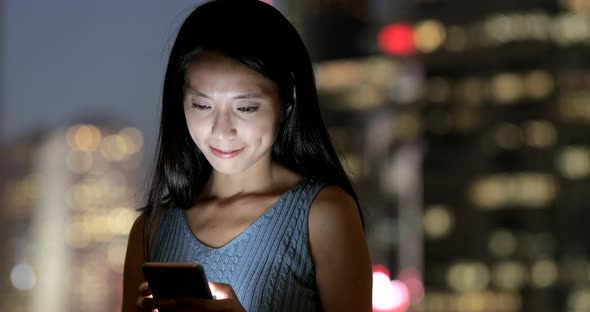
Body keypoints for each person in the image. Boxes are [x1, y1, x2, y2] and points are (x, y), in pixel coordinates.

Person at [122, 0, 372, 311]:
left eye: (246, 108)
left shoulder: (323, 214)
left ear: (288, 102)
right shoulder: (150, 230)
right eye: (202, 105)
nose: (222, 130)